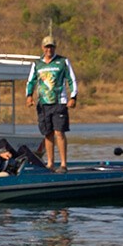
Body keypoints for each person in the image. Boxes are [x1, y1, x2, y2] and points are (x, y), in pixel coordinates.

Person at [26, 36, 78, 173]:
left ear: (55, 47)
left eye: (51, 47)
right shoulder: (37, 64)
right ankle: (50, 163)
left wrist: (73, 97)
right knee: (47, 133)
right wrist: (29, 96)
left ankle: (63, 164)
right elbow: (31, 81)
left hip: (59, 102)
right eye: (47, 47)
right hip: (43, 104)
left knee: (59, 132)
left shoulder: (62, 61)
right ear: (43, 48)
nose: (49, 49)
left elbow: (71, 79)